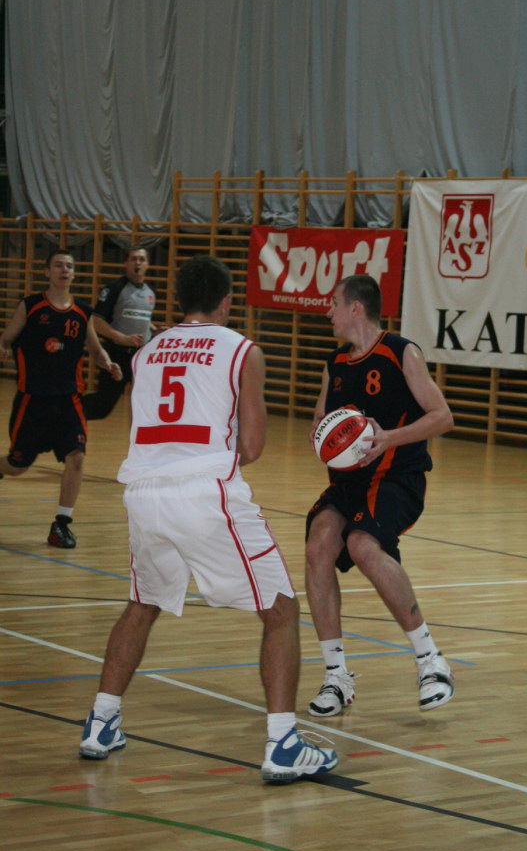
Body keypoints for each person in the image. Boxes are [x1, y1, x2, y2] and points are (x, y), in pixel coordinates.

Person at [79, 255, 338, 785]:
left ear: (178, 300)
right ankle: (283, 744)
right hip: (205, 492)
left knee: (142, 603)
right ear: (226, 301)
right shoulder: (242, 349)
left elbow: (139, 430)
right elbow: (252, 446)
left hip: (144, 492)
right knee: (281, 610)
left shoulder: (146, 352)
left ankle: (100, 723)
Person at [305, 274, 455, 717]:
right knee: (318, 545)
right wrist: (322, 434)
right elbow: (321, 416)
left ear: (356, 308)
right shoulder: (334, 363)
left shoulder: (401, 352)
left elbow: (442, 416)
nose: (328, 311)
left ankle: (431, 661)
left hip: (397, 476)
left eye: (334, 303)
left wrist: (389, 437)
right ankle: (336, 677)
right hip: (349, 481)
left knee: (362, 544)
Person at [0, 249, 122, 548]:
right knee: (17, 466)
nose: (64, 270)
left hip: (69, 400)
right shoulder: (30, 306)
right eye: (58, 265)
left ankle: (61, 525)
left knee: (76, 457)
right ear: (47, 272)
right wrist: (2, 347)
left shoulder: (82, 312)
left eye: (69, 266)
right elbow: (6, 338)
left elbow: (95, 349)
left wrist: (108, 363)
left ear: (74, 274)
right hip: (33, 400)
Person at [82, 247, 156, 420]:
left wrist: (153, 330)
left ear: (147, 264)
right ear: (126, 263)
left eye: (142, 259)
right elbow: (96, 321)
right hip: (117, 355)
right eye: (134, 259)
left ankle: (136, 437)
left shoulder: (151, 291)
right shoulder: (115, 289)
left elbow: (142, 318)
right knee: (102, 407)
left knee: (144, 405)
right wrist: (122, 338)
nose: (138, 263)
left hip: (140, 357)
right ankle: (66, 412)